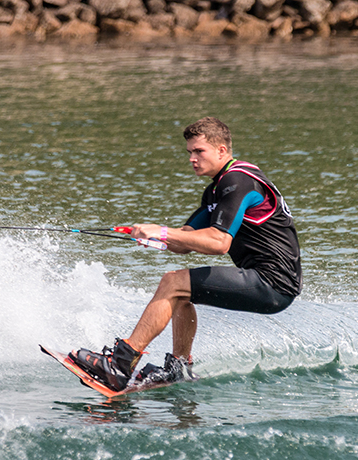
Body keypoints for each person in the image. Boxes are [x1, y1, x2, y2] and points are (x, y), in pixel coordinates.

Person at [72, 116, 302, 391]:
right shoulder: (216, 191)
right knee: (180, 293)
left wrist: (163, 231)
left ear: (222, 150)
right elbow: (185, 241)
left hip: (272, 283)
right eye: (190, 152)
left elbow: (219, 243)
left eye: (199, 151)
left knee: (174, 282)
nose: (192, 159)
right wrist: (153, 237)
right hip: (263, 281)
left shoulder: (238, 181)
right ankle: (179, 367)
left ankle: (120, 365)